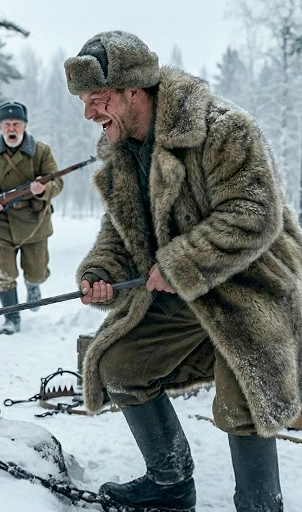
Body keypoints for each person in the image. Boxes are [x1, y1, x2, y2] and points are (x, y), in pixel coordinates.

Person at [65, 30, 302, 512]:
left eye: (98, 99)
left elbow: (253, 213)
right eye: (85, 102)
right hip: (187, 295)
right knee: (120, 365)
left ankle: (261, 505)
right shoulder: (121, 150)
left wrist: (179, 264)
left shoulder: (223, 128)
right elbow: (121, 232)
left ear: (135, 91)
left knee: (244, 400)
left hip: (253, 287)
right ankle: (170, 483)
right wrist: (101, 269)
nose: (90, 112)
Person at [0, 102, 63, 335]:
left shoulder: (41, 151)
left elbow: (57, 181)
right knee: (5, 274)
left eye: (16, 124)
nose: (12, 128)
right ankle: (11, 319)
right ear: (0, 127)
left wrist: (43, 190)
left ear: (24, 126)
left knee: (37, 272)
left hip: (35, 222)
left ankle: (33, 285)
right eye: (7, 124)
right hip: (2, 222)